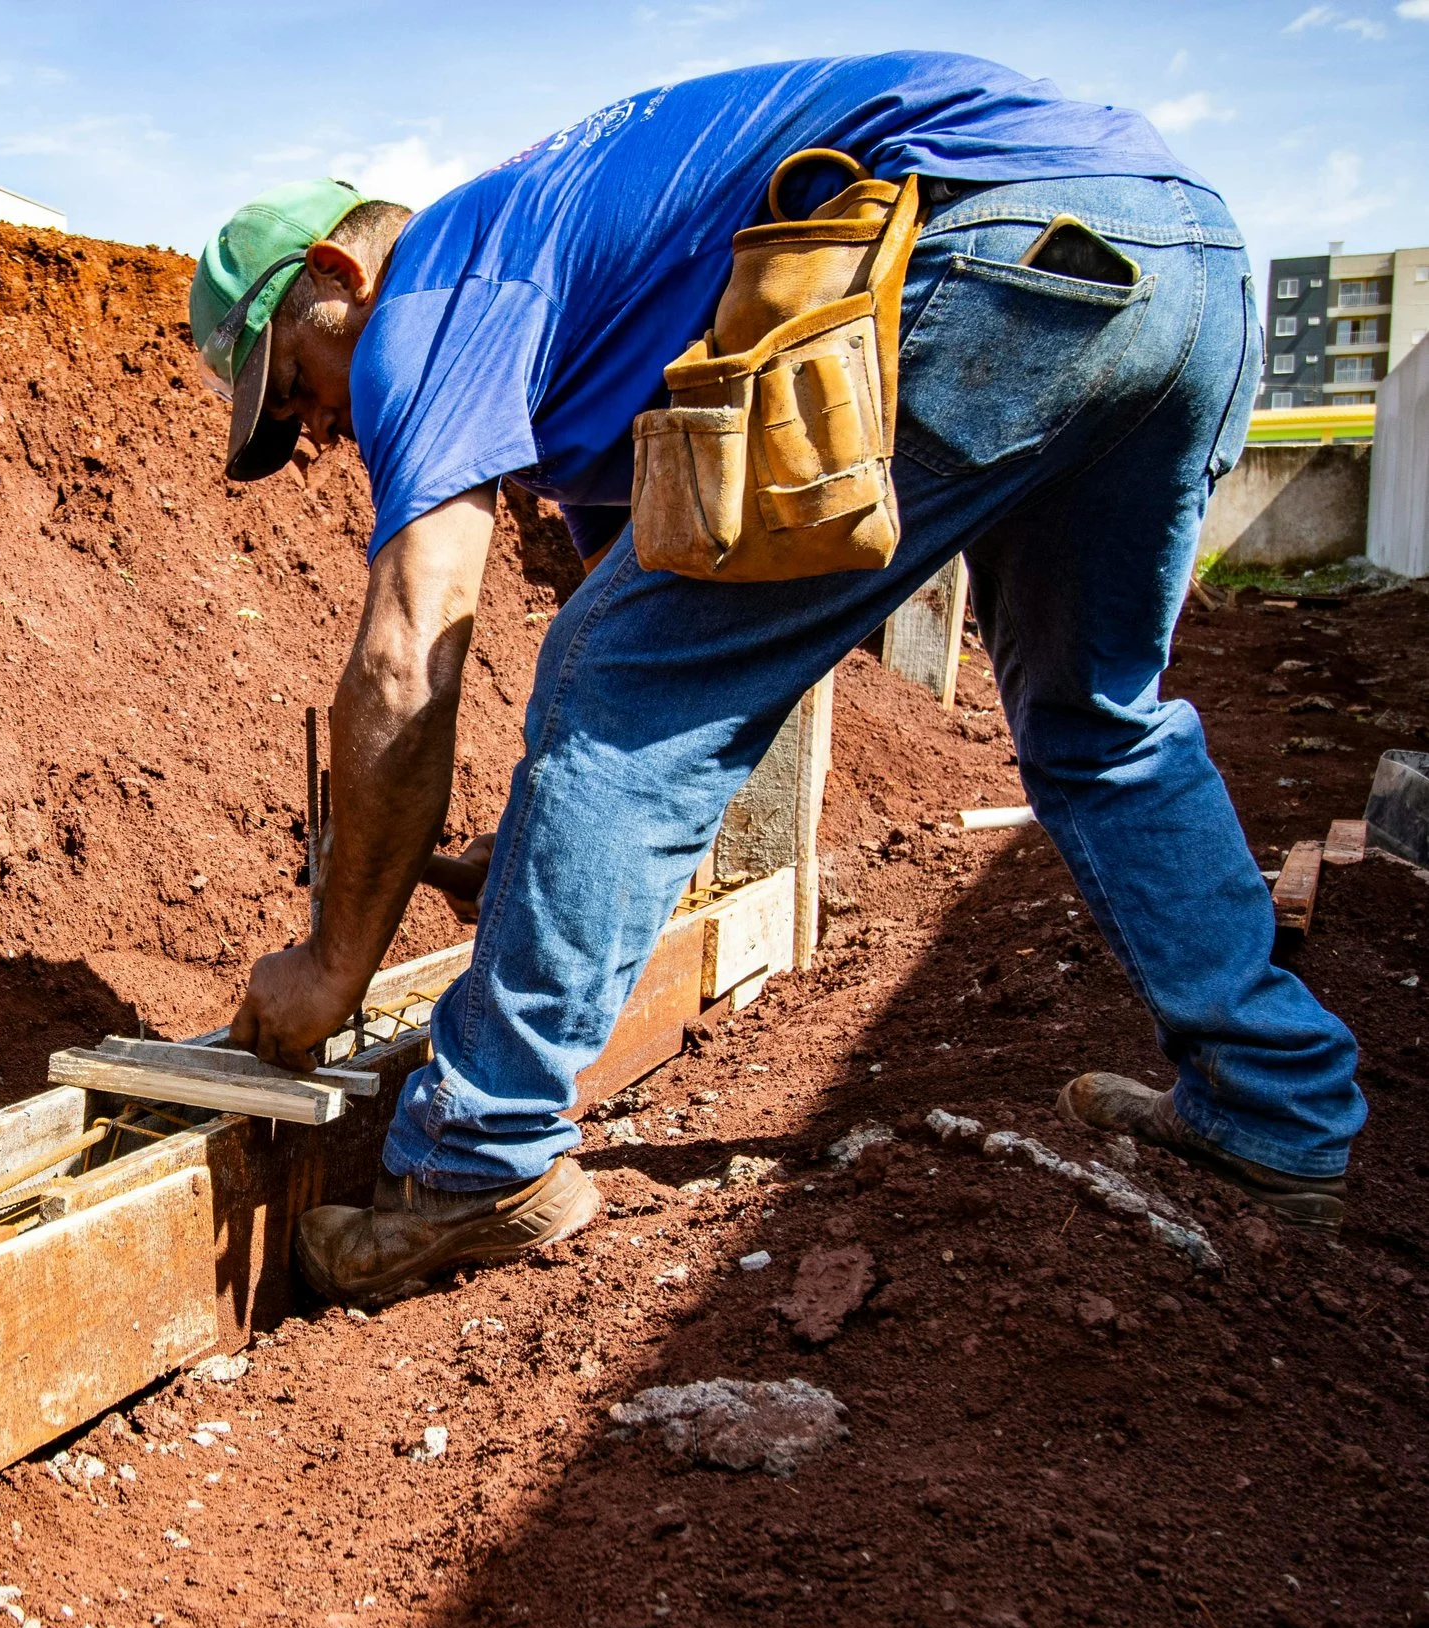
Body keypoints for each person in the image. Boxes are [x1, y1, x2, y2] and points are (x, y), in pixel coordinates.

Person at [195, 52, 1364, 1310]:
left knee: (601, 688)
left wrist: (330, 962)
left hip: (991, 246)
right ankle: (1274, 1108)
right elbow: (680, 666)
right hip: (1183, 260)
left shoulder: (433, 289)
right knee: (1094, 722)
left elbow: (417, 636)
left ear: (336, 276)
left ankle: (476, 1158)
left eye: (300, 389)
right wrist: (538, 855)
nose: (317, 431)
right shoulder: (575, 303)